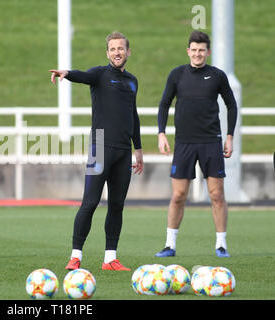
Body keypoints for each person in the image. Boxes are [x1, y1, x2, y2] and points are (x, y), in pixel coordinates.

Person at [49, 31, 144, 271]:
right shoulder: (100, 75)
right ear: (107, 53)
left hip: (124, 151)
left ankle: (110, 259)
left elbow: (133, 116)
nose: (117, 53)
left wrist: (139, 149)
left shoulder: (133, 81)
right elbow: (83, 76)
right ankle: (75, 256)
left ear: (128, 51)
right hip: (99, 147)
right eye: (112, 49)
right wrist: (66, 74)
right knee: (89, 203)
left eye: (121, 48)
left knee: (117, 206)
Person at [155, 30, 237, 258]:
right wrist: (161, 133)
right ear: (188, 51)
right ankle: (169, 245)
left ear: (208, 52)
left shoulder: (218, 76)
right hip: (184, 143)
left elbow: (231, 105)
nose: (198, 54)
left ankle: (221, 245)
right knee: (178, 195)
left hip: (211, 142)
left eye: (202, 50)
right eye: (194, 49)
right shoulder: (177, 74)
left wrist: (229, 136)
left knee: (216, 194)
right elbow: (164, 104)